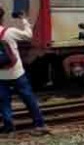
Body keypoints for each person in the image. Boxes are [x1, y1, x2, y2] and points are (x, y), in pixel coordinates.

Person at [0, 7, 49, 136]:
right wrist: (24, 20)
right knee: (28, 98)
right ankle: (40, 124)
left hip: (0, 75)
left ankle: (9, 128)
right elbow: (28, 35)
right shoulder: (9, 32)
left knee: (4, 102)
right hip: (16, 73)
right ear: (2, 18)